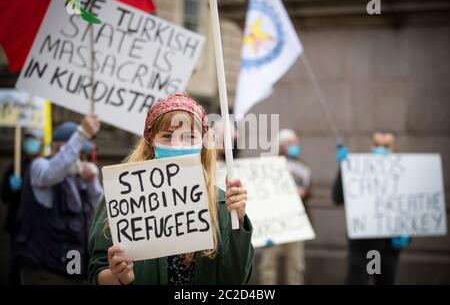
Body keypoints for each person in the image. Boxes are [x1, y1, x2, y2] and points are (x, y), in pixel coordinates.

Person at [88, 93, 254, 285]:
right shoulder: (119, 196)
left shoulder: (222, 203)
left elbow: (237, 280)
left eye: (189, 136)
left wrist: (238, 221)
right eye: (167, 136)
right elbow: (96, 273)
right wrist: (118, 277)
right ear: (151, 140)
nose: (178, 145)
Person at [15, 114, 102, 285]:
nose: (80, 158)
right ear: (61, 148)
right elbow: (52, 172)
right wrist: (81, 134)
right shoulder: (39, 166)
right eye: (79, 152)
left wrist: (92, 182)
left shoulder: (76, 176)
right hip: (46, 270)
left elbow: (98, 210)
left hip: (73, 270)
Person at [332, 132, 410, 285]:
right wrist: (344, 169)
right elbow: (337, 198)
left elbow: (410, 208)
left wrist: (407, 235)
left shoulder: (403, 175)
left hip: (389, 246)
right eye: (376, 145)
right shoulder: (358, 172)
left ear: (394, 150)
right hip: (363, 246)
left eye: (385, 146)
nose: (380, 149)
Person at [258, 129, 312, 285]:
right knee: (268, 264)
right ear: (281, 146)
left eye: (296, 143)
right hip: (274, 221)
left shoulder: (302, 167)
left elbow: (310, 189)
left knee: (296, 265)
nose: (296, 146)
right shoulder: (268, 166)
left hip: (295, 222)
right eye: (291, 143)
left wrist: (305, 192)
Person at [1, 127, 43, 285]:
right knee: (17, 263)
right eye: (28, 138)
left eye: (34, 139)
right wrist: (11, 188)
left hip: (39, 225)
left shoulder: (45, 166)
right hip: (17, 224)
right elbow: (4, 196)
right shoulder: (15, 167)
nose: (30, 142)